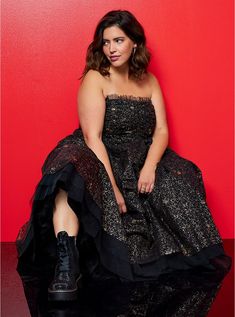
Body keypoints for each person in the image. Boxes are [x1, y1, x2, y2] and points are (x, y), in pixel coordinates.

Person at [16, 10, 230, 302]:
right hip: (98, 150)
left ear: (135, 44)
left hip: (141, 155)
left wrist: (150, 166)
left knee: (183, 178)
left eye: (118, 40)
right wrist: (112, 187)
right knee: (67, 173)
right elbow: (93, 137)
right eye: (105, 42)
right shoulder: (96, 77)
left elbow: (162, 131)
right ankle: (67, 264)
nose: (111, 49)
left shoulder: (150, 81)